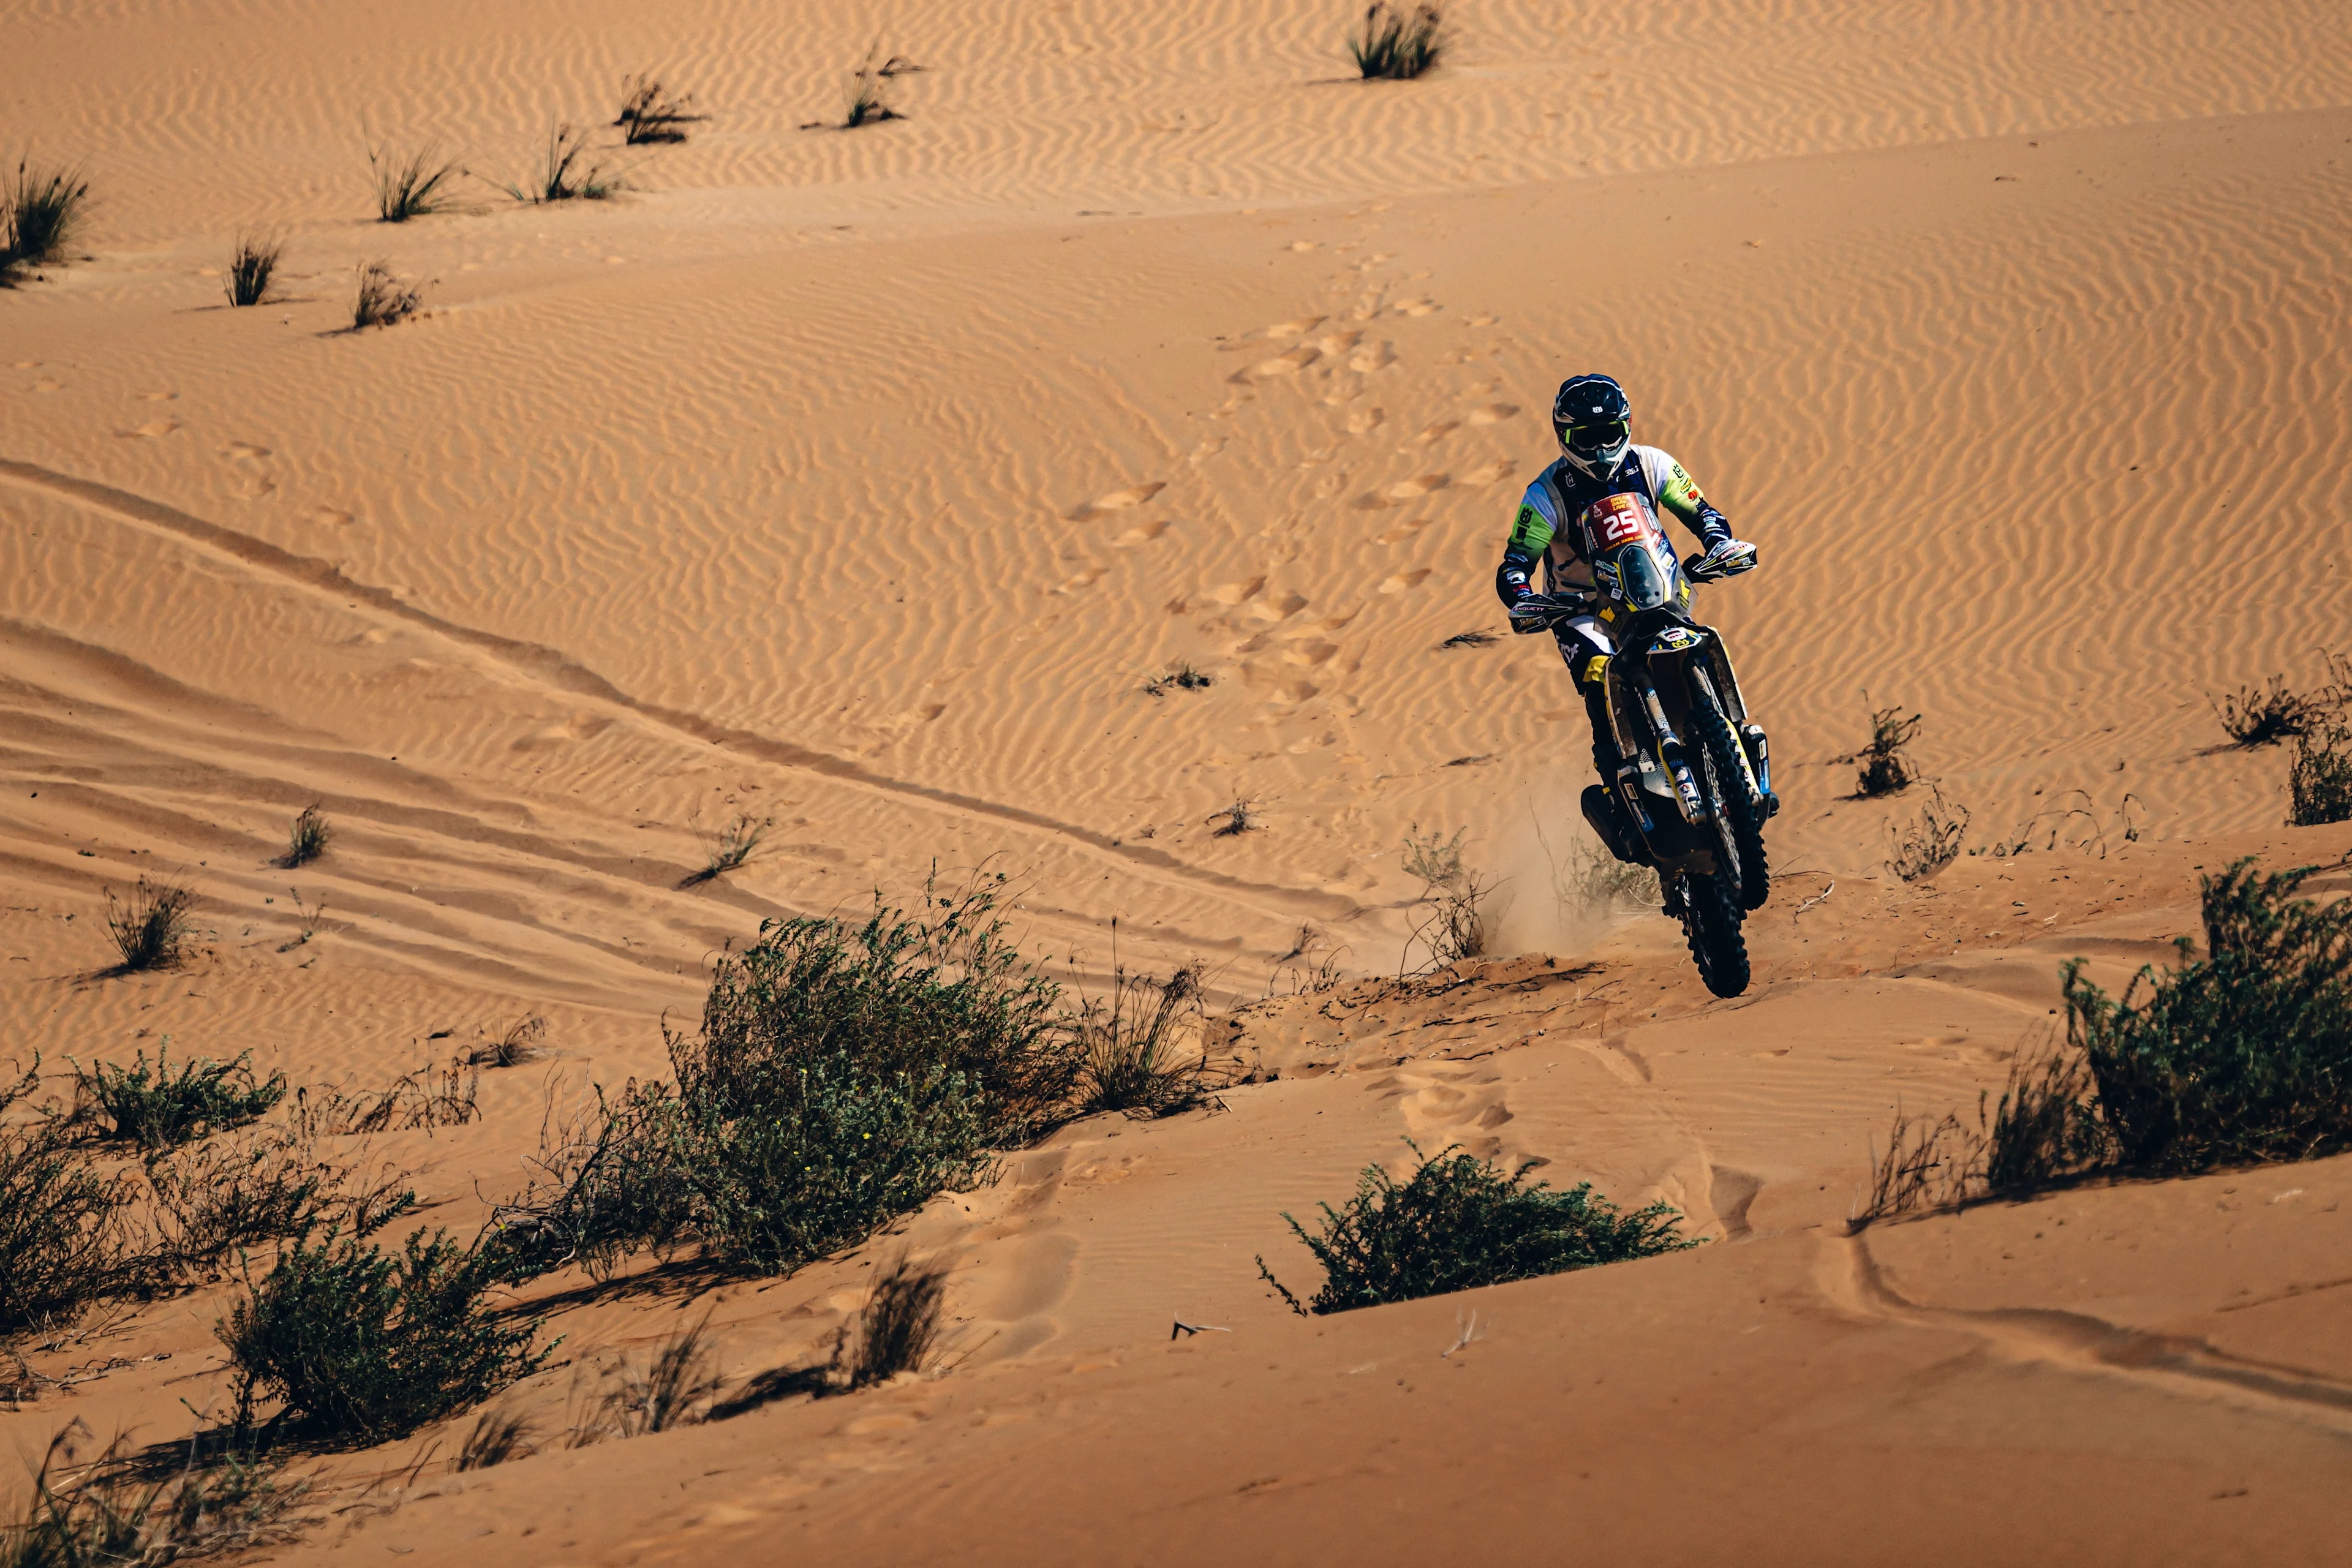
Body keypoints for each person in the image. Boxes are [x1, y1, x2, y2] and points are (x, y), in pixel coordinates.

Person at [1492, 372, 1758, 794]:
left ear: (1627, 428)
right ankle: (1618, 786)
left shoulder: (1654, 465)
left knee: (1700, 643)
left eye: (1610, 434)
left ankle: (1736, 742)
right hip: (1582, 610)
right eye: (1586, 438)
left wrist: (1719, 543)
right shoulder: (1546, 495)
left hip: (1654, 591)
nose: (1599, 449)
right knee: (1599, 675)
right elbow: (1515, 564)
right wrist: (1526, 599)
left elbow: (1704, 512)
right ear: (1564, 436)